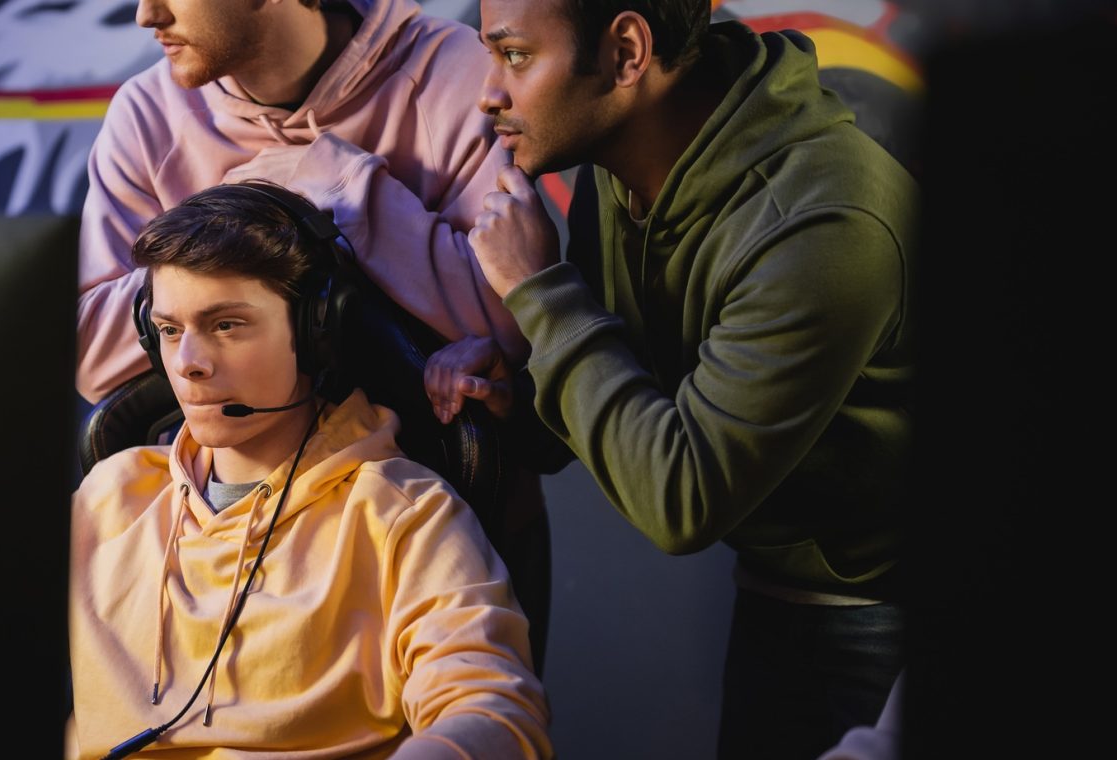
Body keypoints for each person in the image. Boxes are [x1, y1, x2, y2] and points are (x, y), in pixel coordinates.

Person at [424, 1, 917, 756]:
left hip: (885, 616)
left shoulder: (822, 222)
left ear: (627, 51)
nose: (489, 91)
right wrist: (516, 397)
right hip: (772, 590)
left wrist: (543, 295)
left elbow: (681, 501)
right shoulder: (622, 169)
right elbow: (604, 408)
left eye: (515, 56)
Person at [68, 182, 549, 758]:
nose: (189, 364)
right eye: (170, 331)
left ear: (316, 333)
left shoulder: (401, 515)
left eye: (226, 325)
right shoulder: (106, 500)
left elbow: (493, 711)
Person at [76, 0, 527, 402]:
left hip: (435, 485)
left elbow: (512, 322)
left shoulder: (456, 71)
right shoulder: (146, 112)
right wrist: (234, 226)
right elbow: (88, 353)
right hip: (211, 491)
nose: (147, 14)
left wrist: (343, 183)